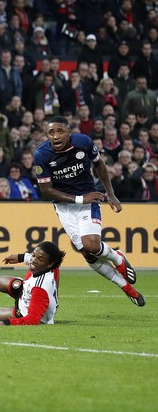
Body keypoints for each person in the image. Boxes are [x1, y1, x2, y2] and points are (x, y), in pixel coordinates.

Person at [33, 116, 145, 306]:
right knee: (87, 253)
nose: (56, 136)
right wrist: (78, 199)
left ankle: (117, 258)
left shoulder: (83, 142)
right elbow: (46, 190)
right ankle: (127, 289)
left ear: (69, 132)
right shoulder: (41, 154)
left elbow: (99, 164)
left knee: (92, 245)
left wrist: (111, 194)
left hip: (88, 199)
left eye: (60, 131)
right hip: (64, 207)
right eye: (51, 132)